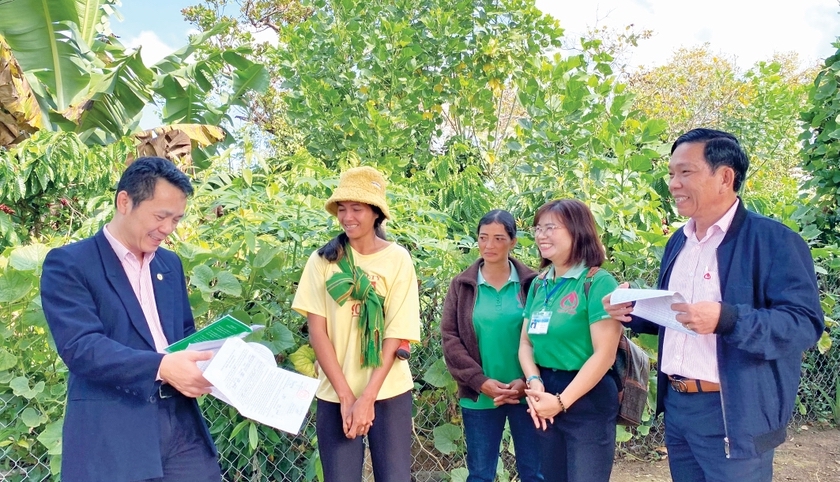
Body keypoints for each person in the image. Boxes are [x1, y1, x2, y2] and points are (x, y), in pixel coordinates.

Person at [602, 128, 825, 482]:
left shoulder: (775, 241)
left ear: (725, 177)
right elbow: (678, 316)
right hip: (678, 406)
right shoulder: (680, 241)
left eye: (685, 172)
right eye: (672, 173)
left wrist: (728, 319)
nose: (673, 183)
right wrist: (634, 312)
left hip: (733, 411)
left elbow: (803, 324)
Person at [40, 157, 220, 482]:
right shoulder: (70, 263)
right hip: (114, 430)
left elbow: (184, 335)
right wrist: (161, 367)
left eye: (176, 219)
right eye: (160, 216)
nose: (167, 229)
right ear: (125, 201)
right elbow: (81, 347)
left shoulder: (169, 264)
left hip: (181, 426)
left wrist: (213, 361)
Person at [292, 166, 420, 482]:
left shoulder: (398, 259)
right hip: (335, 393)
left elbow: (396, 332)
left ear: (376, 213)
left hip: (389, 391)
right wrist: (348, 397)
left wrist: (367, 398)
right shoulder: (322, 261)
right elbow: (317, 332)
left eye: (357, 209)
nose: (347, 216)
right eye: (342, 208)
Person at [518, 199, 622, 482]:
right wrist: (535, 383)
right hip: (544, 391)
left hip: (587, 397)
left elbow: (604, 355)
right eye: (538, 228)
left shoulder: (598, 282)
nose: (541, 235)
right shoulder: (540, 283)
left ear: (578, 231)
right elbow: (526, 344)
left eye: (551, 227)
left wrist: (562, 402)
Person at [441, 210, 543, 482]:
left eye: (499, 238)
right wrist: (480, 381)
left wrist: (526, 381)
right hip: (480, 396)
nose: (489, 245)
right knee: (481, 474)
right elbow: (450, 339)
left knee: (536, 472)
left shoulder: (533, 284)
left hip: (528, 394)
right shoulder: (462, 286)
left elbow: (544, 337)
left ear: (513, 242)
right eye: (483, 237)